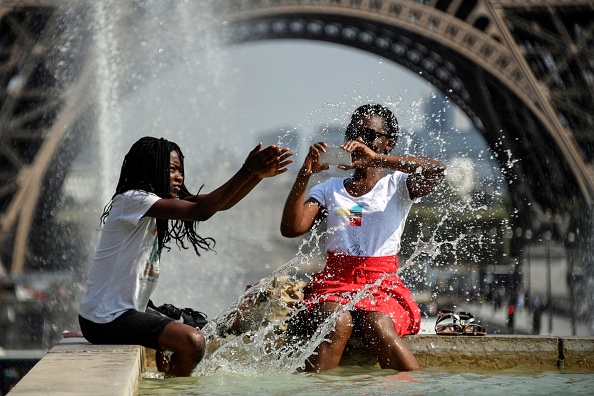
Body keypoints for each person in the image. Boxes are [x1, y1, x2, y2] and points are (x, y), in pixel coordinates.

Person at [78, 136, 293, 377]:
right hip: (104, 318)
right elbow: (201, 212)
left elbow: (220, 204)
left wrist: (256, 176)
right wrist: (247, 170)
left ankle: (166, 385)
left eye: (181, 170)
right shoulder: (132, 199)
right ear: (152, 168)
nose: (179, 177)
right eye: (171, 170)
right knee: (193, 341)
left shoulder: (152, 205)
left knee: (197, 327)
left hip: (126, 312)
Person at [280, 104, 445, 372]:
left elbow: (437, 170)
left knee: (378, 324)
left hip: (381, 284)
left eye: (369, 135)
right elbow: (292, 228)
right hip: (335, 283)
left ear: (388, 143)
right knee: (336, 321)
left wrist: (375, 159)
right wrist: (305, 173)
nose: (359, 140)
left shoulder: (399, 185)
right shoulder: (329, 189)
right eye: (354, 133)